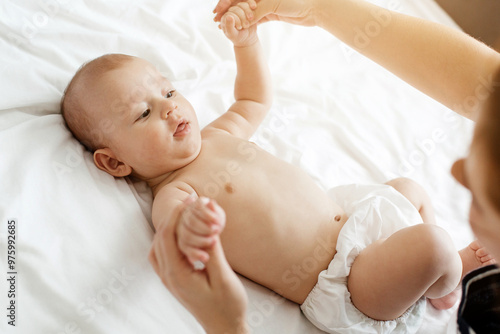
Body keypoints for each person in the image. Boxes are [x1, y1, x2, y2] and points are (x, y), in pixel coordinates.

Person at [60, 2, 493, 334]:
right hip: (347, 282)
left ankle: (438, 285)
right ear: (115, 161)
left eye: (169, 91)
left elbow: (253, 100)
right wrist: (192, 229)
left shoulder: (216, 136)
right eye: (143, 114)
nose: (170, 109)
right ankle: (448, 270)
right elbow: (176, 235)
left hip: (357, 221)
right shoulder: (175, 192)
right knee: (433, 245)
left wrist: (245, 43)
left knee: (408, 187)